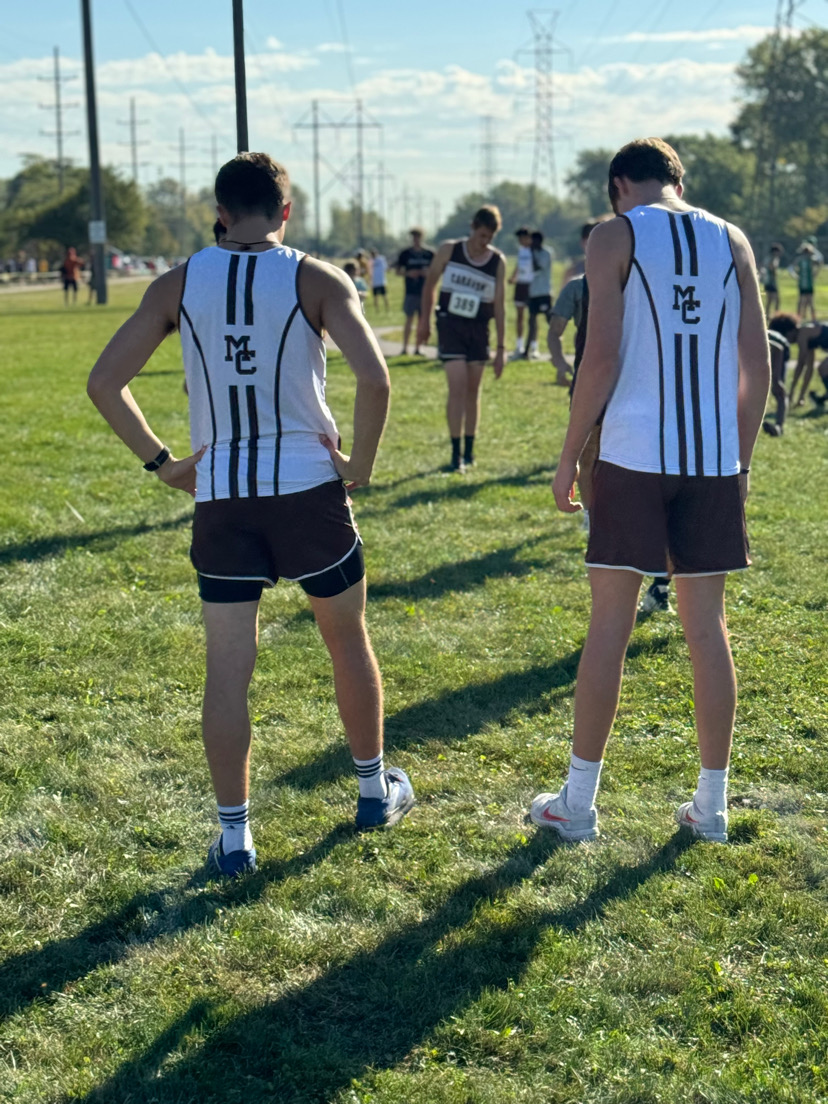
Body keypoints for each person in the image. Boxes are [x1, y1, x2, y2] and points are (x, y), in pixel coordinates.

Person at [87, 152, 414, 879]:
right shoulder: (318, 277)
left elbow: (105, 382)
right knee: (346, 641)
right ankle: (372, 791)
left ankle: (234, 838)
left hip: (223, 495)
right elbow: (375, 377)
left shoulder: (177, 283)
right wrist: (359, 466)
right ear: (287, 210)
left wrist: (161, 462)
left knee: (228, 670)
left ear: (220, 210)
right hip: (307, 490)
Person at [531, 137, 769, 844]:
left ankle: (577, 806)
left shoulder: (615, 234)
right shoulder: (734, 239)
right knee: (706, 628)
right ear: (680, 180)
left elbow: (598, 358)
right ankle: (713, 806)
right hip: (711, 461)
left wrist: (570, 453)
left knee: (611, 624)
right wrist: (740, 463)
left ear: (617, 186)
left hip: (634, 453)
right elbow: (755, 371)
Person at [418, 206, 506, 472]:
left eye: (489, 237)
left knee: (472, 390)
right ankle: (455, 454)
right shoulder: (449, 250)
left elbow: (501, 306)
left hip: (479, 330)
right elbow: (430, 284)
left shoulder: (497, 261)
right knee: (456, 387)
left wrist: (501, 348)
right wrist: (424, 321)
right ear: (473, 228)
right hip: (451, 326)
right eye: (481, 235)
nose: (484, 242)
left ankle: (469, 451)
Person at [395, 228, 434, 356]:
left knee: (422, 321)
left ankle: (418, 347)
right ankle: (404, 347)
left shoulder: (429, 254)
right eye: (414, 237)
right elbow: (397, 271)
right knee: (409, 319)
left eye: (418, 237)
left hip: (425, 291)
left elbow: (437, 271)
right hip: (410, 291)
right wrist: (408, 273)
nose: (416, 240)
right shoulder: (405, 254)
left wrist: (427, 273)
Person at [763, 313, 798, 435]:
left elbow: (778, 349)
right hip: (766, 354)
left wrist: (776, 378)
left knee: (779, 391)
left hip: (779, 353)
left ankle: (779, 427)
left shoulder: (775, 340)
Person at [788, 318, 828, 407]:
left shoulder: (803, 333)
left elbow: (800, 364)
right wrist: (800, 396)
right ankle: (806, 398)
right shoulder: (809, 339)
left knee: (824, 368)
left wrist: (791, 392)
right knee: (822, 368)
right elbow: (809, 369)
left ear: (791, 331)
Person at [525, 230, 553, 360]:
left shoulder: (546, 253)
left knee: (550, 322)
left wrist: (530, 253)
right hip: (533, 292)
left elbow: (537, 268)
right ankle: (526, 350)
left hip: (544, 292)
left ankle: (555, 349)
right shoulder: (531, 253)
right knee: (531, 322)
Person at [507, 227, 534, 359]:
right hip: (521, 285)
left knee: (532, 318)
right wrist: (513, 277)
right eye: (519, 239)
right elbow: (518, 266)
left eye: (523, 238)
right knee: (520, 316)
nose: (521, 241)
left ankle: (533, 346)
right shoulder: (521, 251)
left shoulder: (534, 250)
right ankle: (519, 345)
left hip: (531, 285)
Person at [791, 242, 822, 322]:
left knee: (810, 302)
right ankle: (798, 318)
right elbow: (792, 268)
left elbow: (819, 263)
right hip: (803, 284)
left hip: (809, 283)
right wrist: (796, 275)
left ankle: (813, 319)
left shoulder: (811, 260)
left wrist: (815, 273)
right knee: (801, 301)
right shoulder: (800, 260)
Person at [762, 243, 784, 316]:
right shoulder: (772, 259)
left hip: (768, 281)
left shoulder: (770, 258)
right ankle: (775, 315)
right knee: (776, 300)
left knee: (770, 300)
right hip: (770, 282)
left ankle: (767, 315)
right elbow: (771, 268)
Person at [370, 248, 388, 313]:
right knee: (375, 297)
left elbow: (385, 268)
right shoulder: (370, 261)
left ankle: (387, 309)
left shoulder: (381, 259)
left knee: (384, 296)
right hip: (374, 282)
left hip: (381, 281)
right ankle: (377, 310)